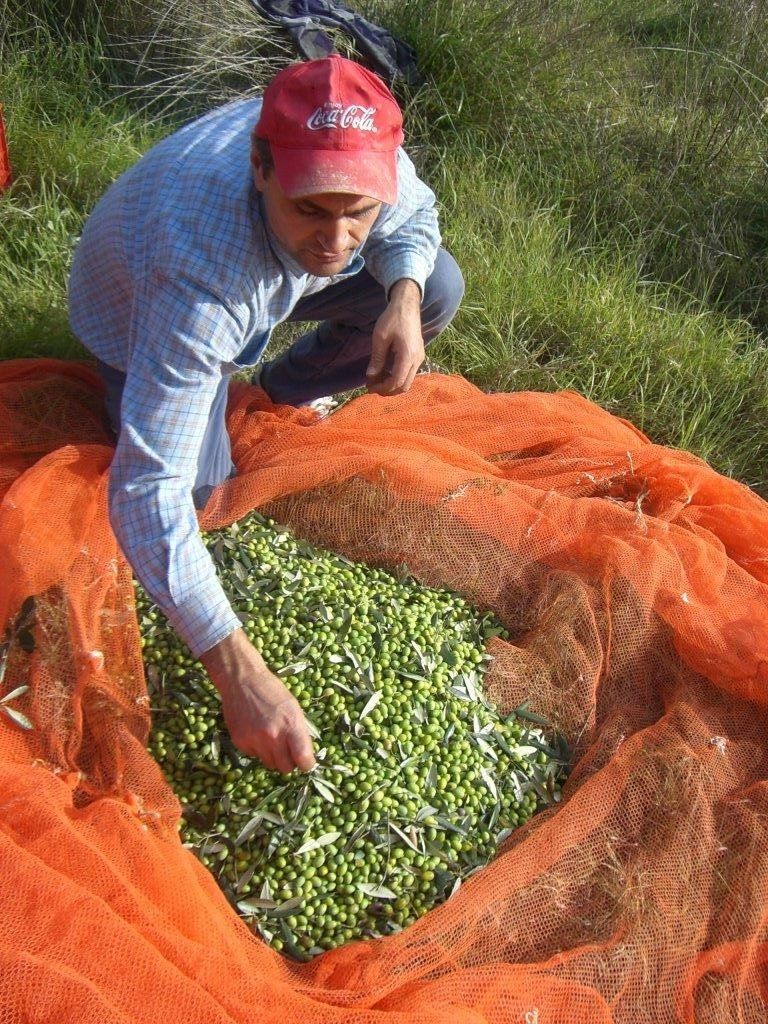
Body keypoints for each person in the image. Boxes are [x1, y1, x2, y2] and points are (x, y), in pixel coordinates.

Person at [68, 54, 464, 776]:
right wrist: (240, 673)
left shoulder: (364, 160)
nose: (340, 241)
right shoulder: (199, 273)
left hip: (258, 284)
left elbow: (416, 216)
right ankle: (207, 391)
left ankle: (280, 389)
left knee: (437, 285)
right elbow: (142, 491)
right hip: (136, 317)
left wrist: (402, 297)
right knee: (191, 494)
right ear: (261, 167)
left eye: (358, 212)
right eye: (311, 207)